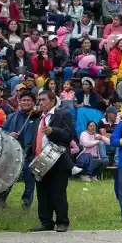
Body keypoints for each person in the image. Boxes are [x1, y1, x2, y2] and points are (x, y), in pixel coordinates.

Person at [31, 90, 75, 232]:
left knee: (58, 193)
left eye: (43, 99)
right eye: (39, 100)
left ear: (52, 101)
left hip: (58, 160)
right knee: (43, 193)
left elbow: (69, 135)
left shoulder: (63, 115)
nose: (40, 103)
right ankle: (46, 221)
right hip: (41, 160)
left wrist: (53, 131)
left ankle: (62, 221)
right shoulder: (38, 119)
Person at [0, 91, 40, 210]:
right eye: (23, 100)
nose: (25, 102)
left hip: (30, 154)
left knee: (29, 182)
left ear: (34, 103)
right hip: (13, 154)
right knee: (7, 179)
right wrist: (10, 134)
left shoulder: (38, 117)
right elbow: (1, 132)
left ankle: (26, 204)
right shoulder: (11, 116)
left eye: (28, 100)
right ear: (19, 102)